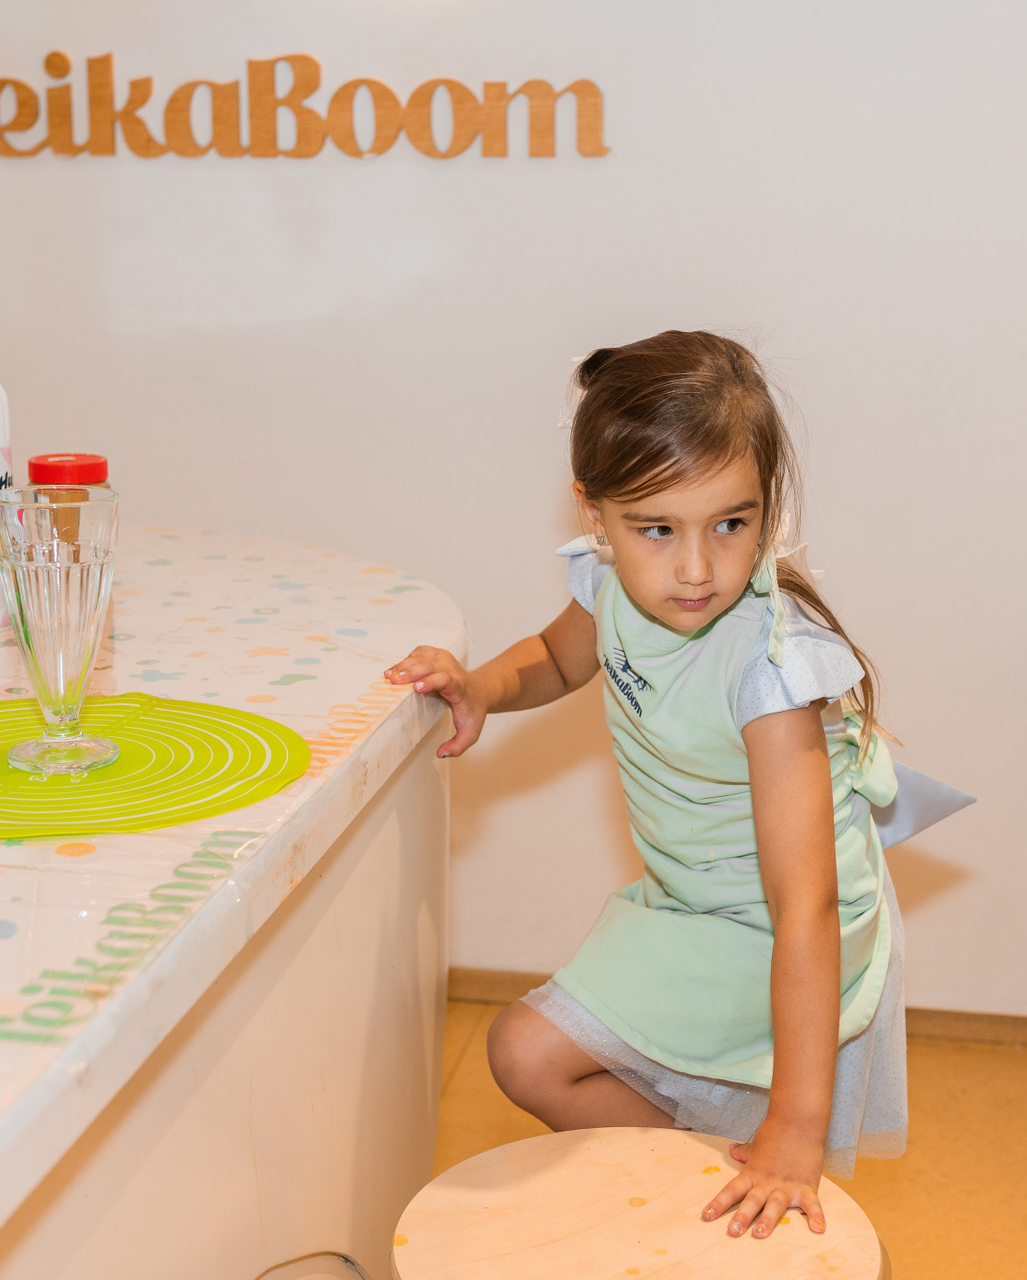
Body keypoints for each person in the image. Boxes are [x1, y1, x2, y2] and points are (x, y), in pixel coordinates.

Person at [386, 330, 906, 1241]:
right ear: (594, 514)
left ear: (768, 506)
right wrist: (482, 689)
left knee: (526, 1050)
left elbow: (807, 907)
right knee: (535, 1058)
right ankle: (710, 1193)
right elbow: (557, 658)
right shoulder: (611, 585)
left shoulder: (769, 672)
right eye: (657, 529)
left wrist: (796, 1127)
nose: (697, 569)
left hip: (772, 926)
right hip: (690, 900)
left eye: (731, 524)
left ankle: (728, 1194)